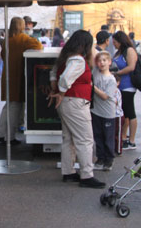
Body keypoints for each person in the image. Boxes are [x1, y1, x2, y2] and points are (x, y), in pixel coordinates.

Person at [48, 30, 105, 188]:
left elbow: (54, 74)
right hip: (76, 102)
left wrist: (57, 91)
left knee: (69, 139)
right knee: (85, 139)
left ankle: (68, 171)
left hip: (67, 102)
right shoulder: (78, 60)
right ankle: (87, 175)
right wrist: (61, 91)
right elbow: (65, 79)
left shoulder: (65, 57)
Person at [0, 17, 42, 144]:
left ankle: (0, 133)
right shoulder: (23, 38)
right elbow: (39, 45)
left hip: (7, 76)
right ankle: (9, 137)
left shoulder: (6, 40)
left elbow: (3, 56)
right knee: (15, 107)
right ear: (22, 26)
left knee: (8, 106)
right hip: (18, 77)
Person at [92, 51, 121, 172]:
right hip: (96, 111)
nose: (101, 63)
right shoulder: (95, 72)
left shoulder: (111, 80)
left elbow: (105, 96)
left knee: (108, 137)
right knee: (97, 136)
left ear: (109, 62)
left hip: (108, 113)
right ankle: (100, 158)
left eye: (104, 60)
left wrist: (92, 87)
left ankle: (109, 159)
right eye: (99, 61)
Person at [111, 31, 138, 150]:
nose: (114, 44)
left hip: (128, 85)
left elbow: (131, 67)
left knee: (129, 112)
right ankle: (123, 136)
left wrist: (117, 73)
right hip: (119, 85)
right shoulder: (119, 52)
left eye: (115, 42)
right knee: (124, 112)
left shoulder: (129, 51)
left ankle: (131, 140)